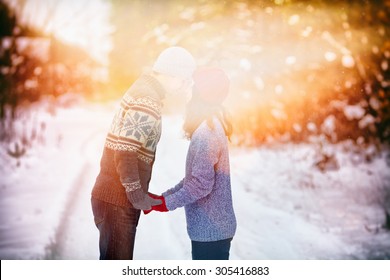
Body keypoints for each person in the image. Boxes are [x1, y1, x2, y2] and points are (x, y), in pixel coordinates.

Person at [91, 46, 196, 260]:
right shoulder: (146, 100)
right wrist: (136, 195)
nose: (185, 85)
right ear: (173, 74)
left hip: (115, 199)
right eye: (184, 79)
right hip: (117, 201)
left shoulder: (145, 91)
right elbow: (125, 151)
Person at [145, 67, 237, 260]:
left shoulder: (207, 132)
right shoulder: (210, 125)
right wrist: (162, 198)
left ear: (201, 96)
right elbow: (195, 179)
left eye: (194, 90)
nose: (190, 96)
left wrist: (165, 203)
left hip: (211, 233)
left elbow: (200, 185)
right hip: (212, 230)